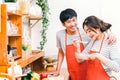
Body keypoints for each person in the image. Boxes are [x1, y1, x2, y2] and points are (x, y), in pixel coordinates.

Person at [51, 8, 116, 80]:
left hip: (88, 72)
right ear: (63, 24)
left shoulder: (86, 32)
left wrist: (111, 34)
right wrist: (58, 69)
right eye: (69, 22)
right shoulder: (60, 35)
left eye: (74, 20)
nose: (72, 24)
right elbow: (62, 53)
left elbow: (99, 34)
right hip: (74, 72)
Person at [74, 15, 120, 80]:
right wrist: (77, 47)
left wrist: (98, 56)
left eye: (89, 31)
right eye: (86, 32)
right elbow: (80, 60)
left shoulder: (110, 41)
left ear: (98, 27)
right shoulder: (92, 41)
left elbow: (117, 68)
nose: (88, 34)